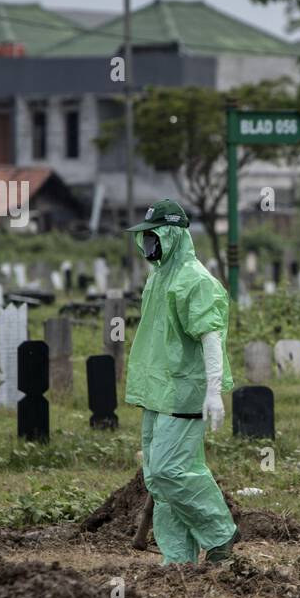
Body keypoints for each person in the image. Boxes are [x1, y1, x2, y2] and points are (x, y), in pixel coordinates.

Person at [123, 199, 237, 565]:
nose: (147, 244)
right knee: (158, 478)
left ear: (170, 236)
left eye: (153, 236)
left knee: (173, 471)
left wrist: (214, 391)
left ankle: (220, 535)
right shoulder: (159, 278)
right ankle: (177, 561)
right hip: (157, 394)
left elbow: (210, 337)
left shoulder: (196, 281)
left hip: (184, 394)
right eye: (145, 237)